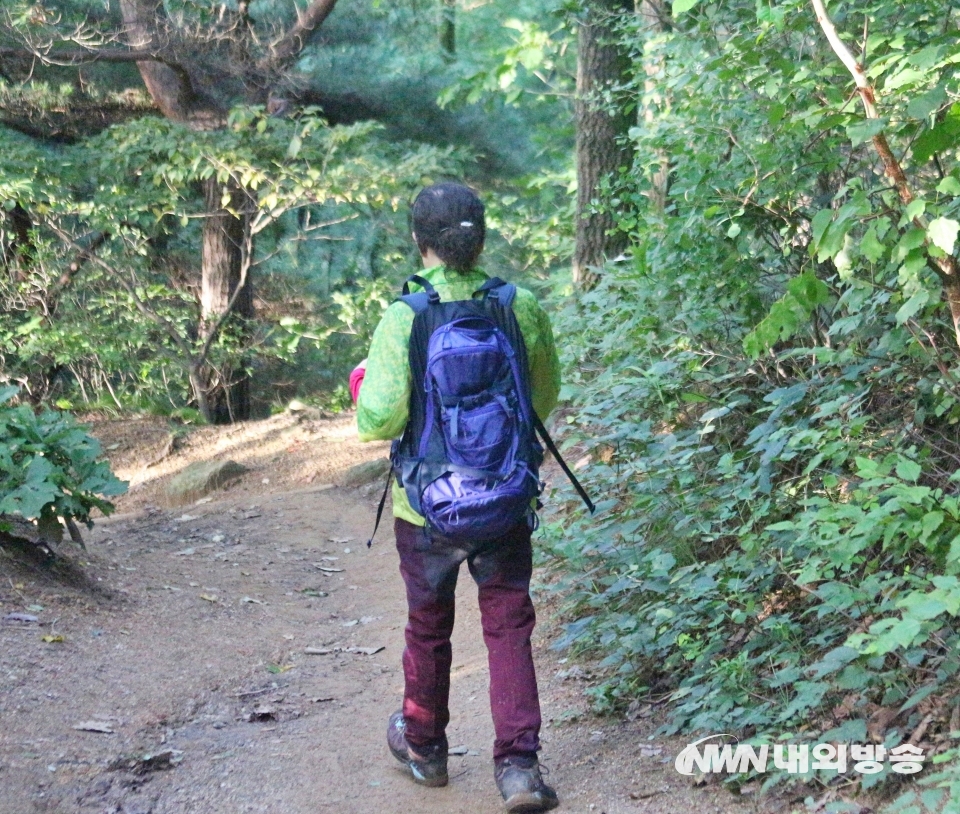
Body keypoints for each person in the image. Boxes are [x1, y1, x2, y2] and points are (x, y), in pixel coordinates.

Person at [353, 182, 561, 813]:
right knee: (508, 625)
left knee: (428, 623)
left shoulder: (405, 315)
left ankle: (425, 747)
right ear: (482, 238)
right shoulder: (517, 305)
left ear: (420, 242)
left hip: (426, 507)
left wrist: (361, 390)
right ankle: (519, 770)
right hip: (502, 495)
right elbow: (542, 398)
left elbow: (379, 420)